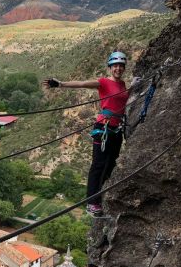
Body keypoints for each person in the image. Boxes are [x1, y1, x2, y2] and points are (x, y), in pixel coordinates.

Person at [43, 51, 130, 216]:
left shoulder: (123, 85)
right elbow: (83, 84)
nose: (118, 68)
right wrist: (61, 84)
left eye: (121, 65)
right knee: (98, 165)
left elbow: (123, 100)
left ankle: (100, 197)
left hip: (117, 130)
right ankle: (92, 203)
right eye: (115, 66)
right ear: (110, 67)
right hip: (103, 128)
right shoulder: (103, 82)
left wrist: (136, 86)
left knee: (110, 165)